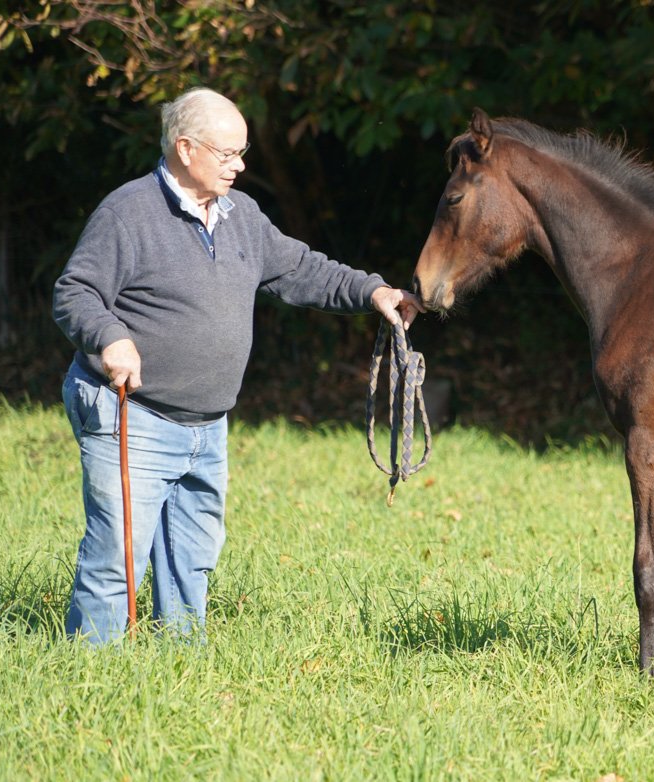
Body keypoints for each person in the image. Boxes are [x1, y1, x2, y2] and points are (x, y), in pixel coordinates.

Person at [52, 87, 422, 644]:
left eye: (241, 152)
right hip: (133, 414)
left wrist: (374, 292)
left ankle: (179, 667)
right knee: (116, 561)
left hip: (208, 425)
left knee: (191, 562)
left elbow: (300, 269)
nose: (240, 165)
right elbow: (75, 292)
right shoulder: (128, 213)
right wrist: (112, 339)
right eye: (227, 153)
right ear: (185, 149)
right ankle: (91, 674)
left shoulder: (240, 214)